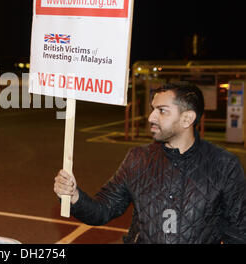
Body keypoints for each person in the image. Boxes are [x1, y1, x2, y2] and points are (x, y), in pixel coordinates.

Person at [54, 82, 246, 243]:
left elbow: (238, 232)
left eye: (162, 111)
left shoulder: (224, 165)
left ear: (187, 118)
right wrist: (74, 197)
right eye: (153, 109)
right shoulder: (138, 158)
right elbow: (103, 209)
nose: (151, 117)